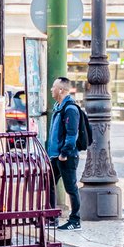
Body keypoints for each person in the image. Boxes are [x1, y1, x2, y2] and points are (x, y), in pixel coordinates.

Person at [47, 77, 82, 231]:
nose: (51, 89)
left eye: (53, 87)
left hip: (65, 156)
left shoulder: (70, 109)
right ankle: (51, 218)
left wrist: (64, 153)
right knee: (49, 185)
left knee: (71, 188)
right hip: (55, 156)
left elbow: (71, 134)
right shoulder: (59, 107)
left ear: (61, 90)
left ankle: (75, 220)